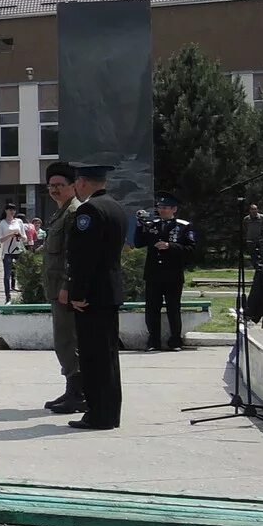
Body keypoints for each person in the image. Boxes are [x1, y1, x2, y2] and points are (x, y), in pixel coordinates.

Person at [62, 164, 130, 431]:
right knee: (108, 355)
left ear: (81, 183)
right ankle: (109, 412)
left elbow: (84, 257)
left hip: (92, 295)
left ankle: (98, 414)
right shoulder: (114, 206)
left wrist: (77, 293)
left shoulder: (88, 210)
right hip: (108, 292)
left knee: (93, 357)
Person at [41, 163, 86, 415]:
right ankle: (72, 388)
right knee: (63, 340)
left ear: (73, 186)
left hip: (63, 289)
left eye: (60, 185)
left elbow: (74, 254)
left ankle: (78, 393)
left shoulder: (73, 213)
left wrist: (68, 285)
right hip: (55, 287)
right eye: (52, 186)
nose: (55, 190)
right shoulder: (59, 213)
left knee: (68, 339)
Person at [134, 194, 196, 351]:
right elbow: (139, 243)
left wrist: (170, 246)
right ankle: (153, 341)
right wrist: (140, 225)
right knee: (152, 308)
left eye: (165, 208)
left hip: (173, 274)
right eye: (159, 207)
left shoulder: (183, 226)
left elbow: (191, 249)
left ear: (174, 209)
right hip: (154, 273)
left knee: (173, 308)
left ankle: (175, 340)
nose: (161, 210)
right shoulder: (152, 225)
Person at [0, 203, 28, 303]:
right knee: (7, 274)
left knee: (24, 273)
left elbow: (25, 238)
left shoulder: (19, 221)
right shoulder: (1, 223)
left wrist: (20, 236)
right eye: (10, 210)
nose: (12, 212)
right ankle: (7, 296)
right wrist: (10, 235)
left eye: (13, 210)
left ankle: (26, 293)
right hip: (7, 252)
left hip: (19, 250)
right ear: (6, 211)